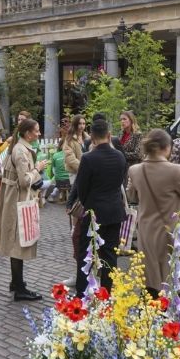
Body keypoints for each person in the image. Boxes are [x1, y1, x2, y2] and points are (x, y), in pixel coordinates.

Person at [127, 129, 180, 298]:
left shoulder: (135, 170)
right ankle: (173, 322)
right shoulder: (175, 170)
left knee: (149, 285)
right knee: (175, 283)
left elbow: (131, 196)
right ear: (167, 147)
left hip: (146, 232)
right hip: (171, 232)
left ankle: (149, 321)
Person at [0, 118, 47, 301]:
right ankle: (18, 288)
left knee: (17, 241)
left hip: (14, 199)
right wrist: (38, 169)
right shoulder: (21, 151)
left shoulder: (16, 147)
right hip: (19, 200)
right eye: (36, 131)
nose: (39, 134)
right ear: (27, 133)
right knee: (18, 243)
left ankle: (16, 282)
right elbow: (24, 181)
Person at [74, 118, 127, 297]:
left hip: (94, 212)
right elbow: (121, 181)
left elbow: (81, 188)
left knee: (86, 253)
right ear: (109, 135)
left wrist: (89, 202)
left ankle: (82, 293)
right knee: (110, 254)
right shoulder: (120, 156)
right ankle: (106, 293)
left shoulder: (88, 158)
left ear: (93, 138)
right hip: (114, 211)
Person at [63, 115, 88, 185]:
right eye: (80, 123)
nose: (82, 126)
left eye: (84, 123)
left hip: (88, 171)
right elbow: (70, 158)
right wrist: (83, 168)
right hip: (75, 173)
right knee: (78, 194)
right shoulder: (69, 139)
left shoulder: (87, 137)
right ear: (75, 124)